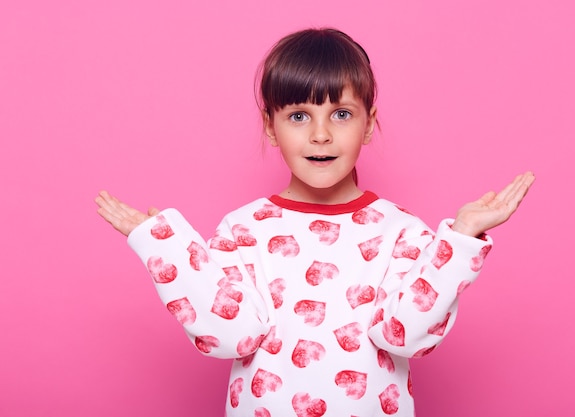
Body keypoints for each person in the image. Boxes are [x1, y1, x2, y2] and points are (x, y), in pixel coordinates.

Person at [95, 28, 534, 417]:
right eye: (298, 115)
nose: (320, 134)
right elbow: (232, 334)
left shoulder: (401, 231)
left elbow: (407, 336)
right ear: (271, 126)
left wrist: (459, 241)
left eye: (341, 114)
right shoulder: (243, 229)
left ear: (368, 124)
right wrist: (167, 249)